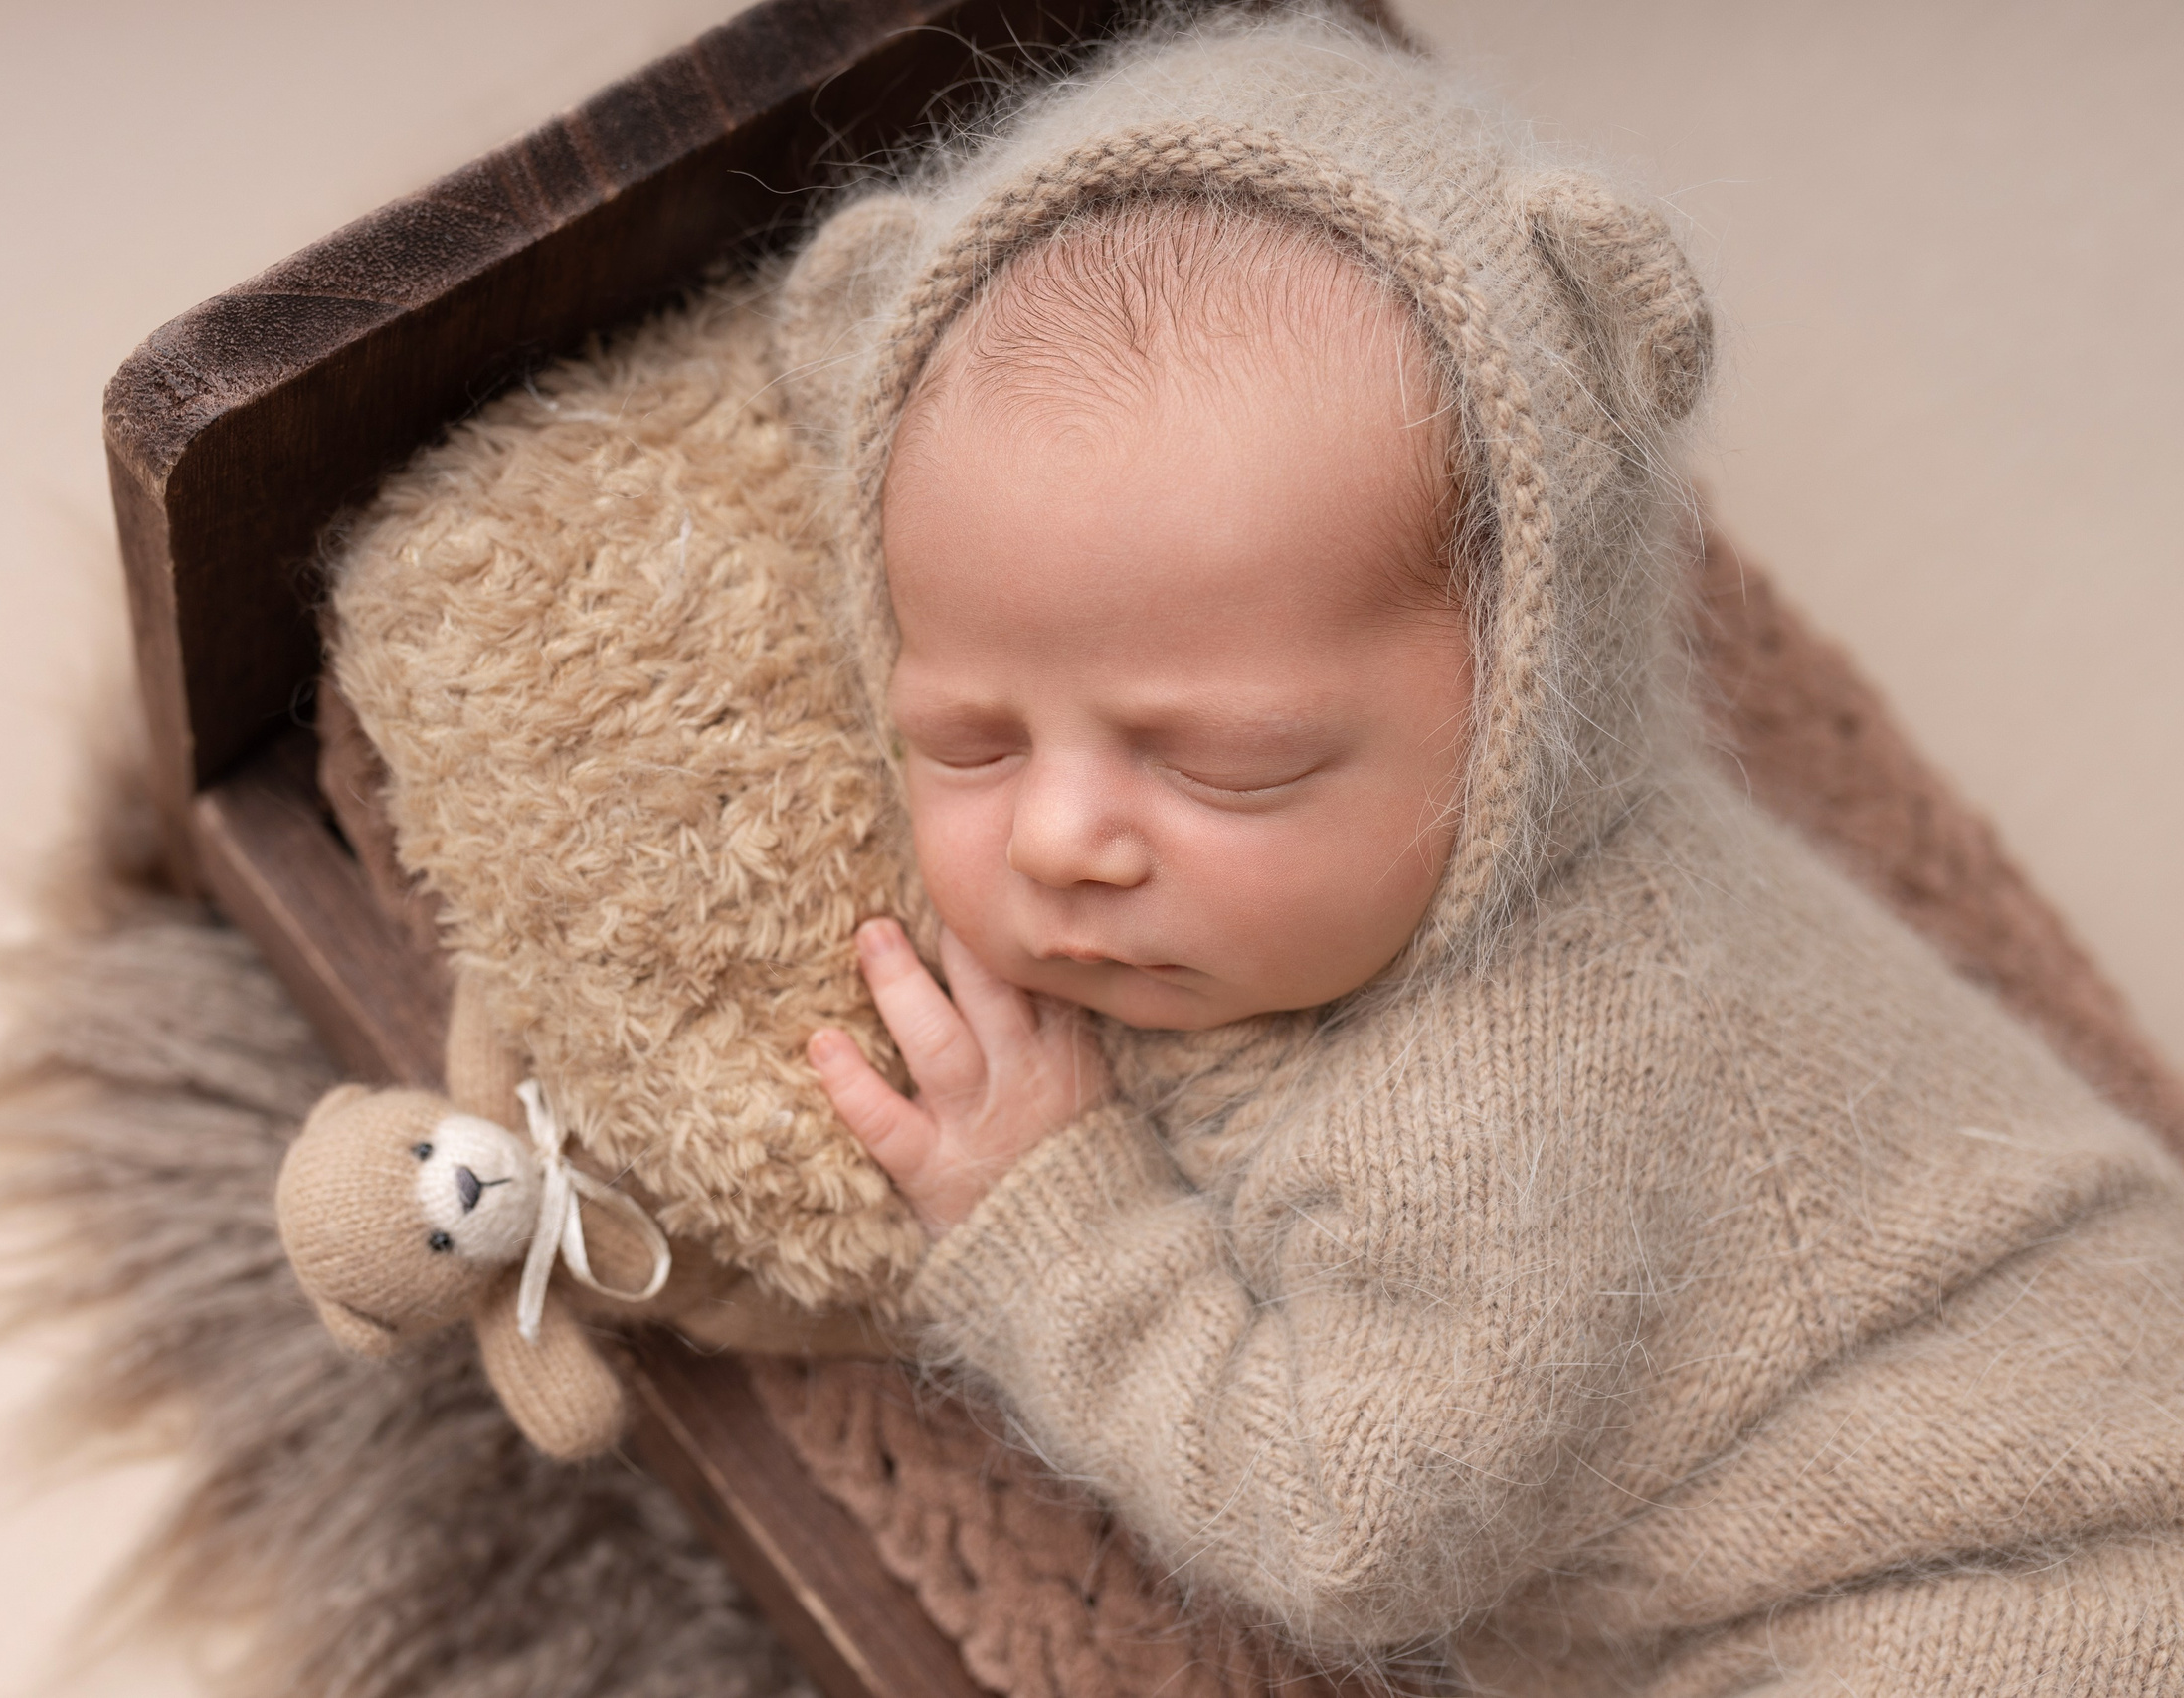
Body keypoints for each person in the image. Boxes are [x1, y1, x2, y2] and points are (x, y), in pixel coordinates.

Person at [785, 7, 2184, 1691]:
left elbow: (1353, 1527)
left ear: (1529, 699)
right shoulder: (1347, 926)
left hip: (2053, 1587)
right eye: (970, 741)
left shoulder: (1522, 1073)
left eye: (1227, 764)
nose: (1063, 837)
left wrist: (1057, 1220)